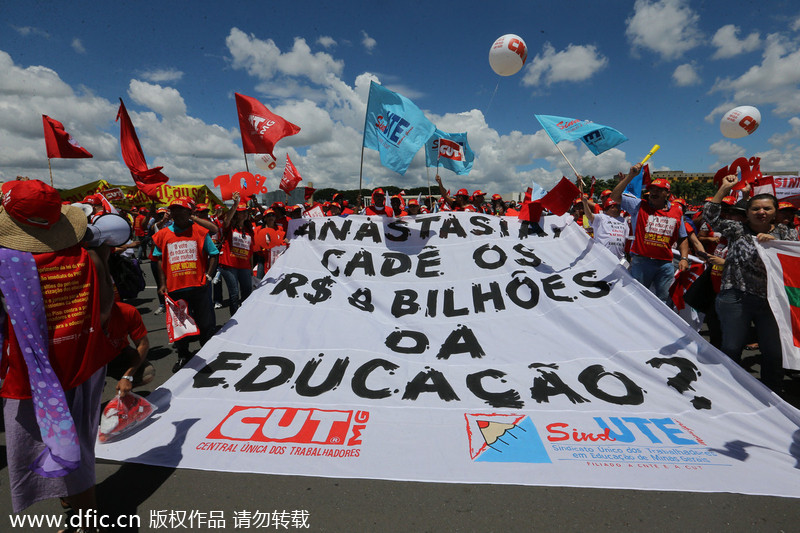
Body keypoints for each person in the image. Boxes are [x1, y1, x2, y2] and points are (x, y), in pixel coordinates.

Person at [0, 179, 115, 520]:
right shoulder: (87, 257)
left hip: (34, 374)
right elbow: (106, 308)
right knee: (79, 438)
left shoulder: (6, 265)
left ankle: (85, 519)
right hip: (83, 362)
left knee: (50, 445)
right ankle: (80, 508)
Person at [704, 174, 798, 392]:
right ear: (747, 213)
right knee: (732, 347)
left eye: (767, 208)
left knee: (774, 351)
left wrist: (778, 244)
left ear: (775, 212)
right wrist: (723, 189)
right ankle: (729, 391)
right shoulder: (737, 230)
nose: (761, 212)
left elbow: (793, 260)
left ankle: (772, 395)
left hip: (773, 302)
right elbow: (710, 217)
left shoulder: (787, 233)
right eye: (755, 209)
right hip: (736, 297)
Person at [152, 196, 219, 372]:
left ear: (190, 212)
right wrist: (162, 283)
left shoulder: (200, 231)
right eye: (173, 209)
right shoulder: (162, 234)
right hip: (175, 287)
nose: (177, 212)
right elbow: (158, 259)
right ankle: (183, 354)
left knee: (205, 323)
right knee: (179, 325)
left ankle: (206, 353)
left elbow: (214, 253)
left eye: (181, 209)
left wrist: (209, 276)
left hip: (199, 286)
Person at [610, 164, 690, 303]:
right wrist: (630, 176)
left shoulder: (677, 212)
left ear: (668, 194)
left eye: (659, 190)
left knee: (662, 302)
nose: (654, 192)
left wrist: (684, 258)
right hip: (642, 263)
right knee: (637, 299)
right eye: (652, 189)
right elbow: (615, 196)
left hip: (665, 265)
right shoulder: (639, 206)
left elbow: (683, 237)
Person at [219, 192, 255, 315]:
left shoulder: (249, 229)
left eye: (246, 212)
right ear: (237, 214)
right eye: (242, 211)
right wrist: (235, 204)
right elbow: (227, 219)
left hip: (244, 266)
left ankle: (245, 317)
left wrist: (250, 267)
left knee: (247, 292)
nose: (245, 214)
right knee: (234, 294)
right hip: (229, 265)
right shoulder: (229, 227)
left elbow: (250, 251)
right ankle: (234, 318)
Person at [579, 180, 629, 261]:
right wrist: (584, 201)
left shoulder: (623, 220)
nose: (610, 197)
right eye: (608, 196)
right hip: (602, 259)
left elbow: (626, 238)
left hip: (620, 259)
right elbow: (589, 214)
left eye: (611, 195)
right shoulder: (600, 213)